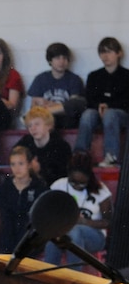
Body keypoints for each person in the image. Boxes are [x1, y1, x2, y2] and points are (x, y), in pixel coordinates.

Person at [43, 152, 113, 270]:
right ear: (68, 174)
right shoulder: (59, 186)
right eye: (73, 182)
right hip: (62, 232)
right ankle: (46, 278)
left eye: (82, 183)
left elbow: (108, 222)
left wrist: (82, 221)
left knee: (75, 232)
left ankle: (74, 277)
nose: (77, 186)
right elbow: (48, 211)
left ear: (89, 177)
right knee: (53, 239)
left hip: (94, 236)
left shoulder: (100, 191)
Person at [74, 36, 129, 167]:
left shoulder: (127, 76)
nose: (105, 56)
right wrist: (99, 106)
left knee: (110, 115)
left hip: (121, 115)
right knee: (88, 114)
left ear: (119, 53)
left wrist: (108, 106)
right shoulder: (94, 76)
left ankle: (111, 157)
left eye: (109, 51)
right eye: (102, 52)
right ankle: (79, 155)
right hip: (98, 112)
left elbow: (127, 100)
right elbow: (90, 98)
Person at [0, 146, 47, 255]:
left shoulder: (39, 187)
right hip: (9, 235)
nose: (17, 168)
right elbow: (5, 217)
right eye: (13, 164)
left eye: (21, 164)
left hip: (30, 237)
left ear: (29, 164)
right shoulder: (5, 187)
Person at [27, 42, 86, 129]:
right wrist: (57, 106)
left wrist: (49, 106)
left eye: (65, 58)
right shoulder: (40, 79)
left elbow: (73, 108)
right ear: (50, 60)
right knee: (44, 118)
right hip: (47, 120)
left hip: (67, 120)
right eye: (58, 58)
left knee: (78, 103)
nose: (62, 61)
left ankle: (47, 112)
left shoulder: (75, 79)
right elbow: (34, 106)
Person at [16, 106, 72, 186]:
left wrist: (39, 170)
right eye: (30, 125)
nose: (33, 128)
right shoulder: (25, 143)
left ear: (49, 125)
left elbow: (62, 176)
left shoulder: (61, 147)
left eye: (37, 124)